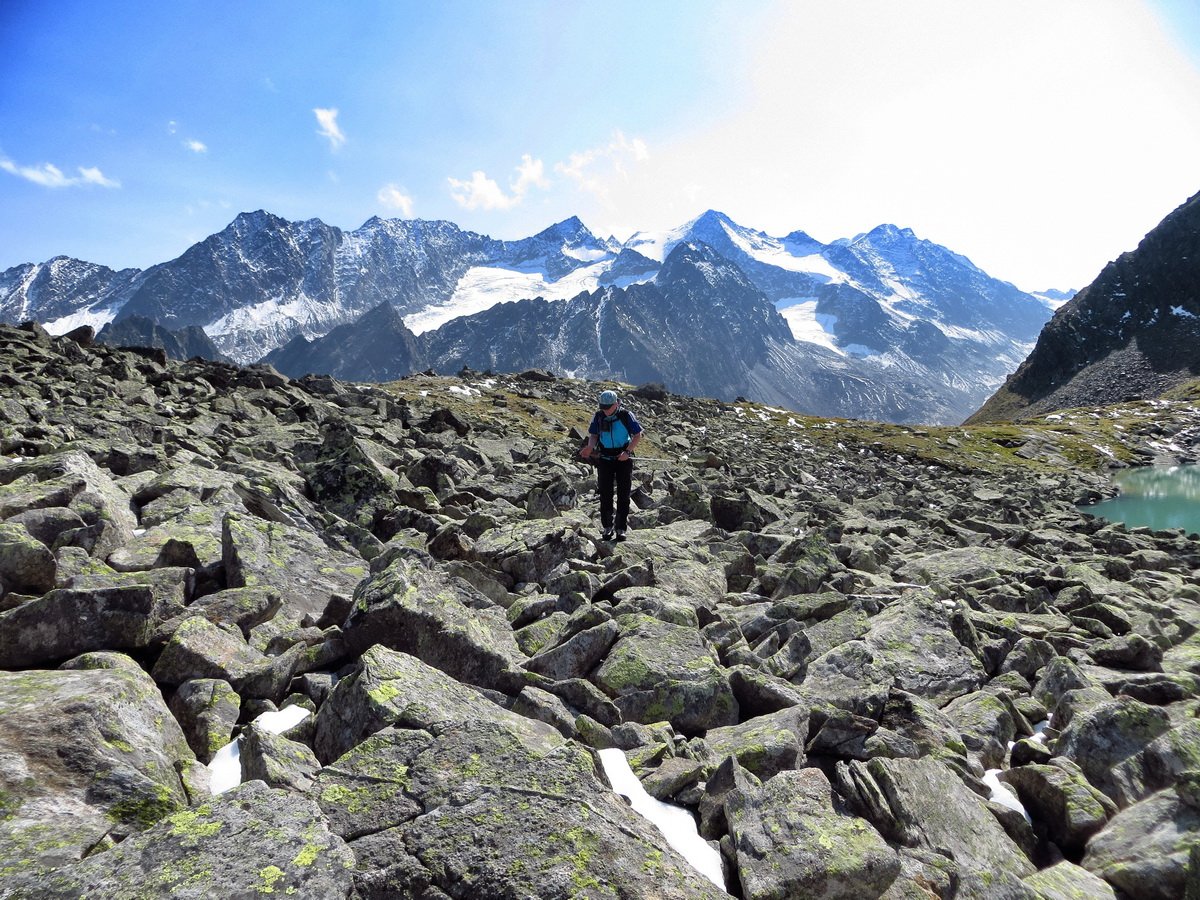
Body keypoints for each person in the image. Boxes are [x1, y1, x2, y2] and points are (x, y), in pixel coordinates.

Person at [579, 389, 643, 541]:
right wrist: (590, 447)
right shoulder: (598, 416)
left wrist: (627, 452)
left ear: (616, 404)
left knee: (623, 494)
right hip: (605, 458)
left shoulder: (626, 415)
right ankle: (607, 527)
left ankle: (621, 528)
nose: (605, 410)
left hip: (623, 458)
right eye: (603, 407)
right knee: (605, 493)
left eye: (608, 407)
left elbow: (637, 435)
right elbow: (594, 434)